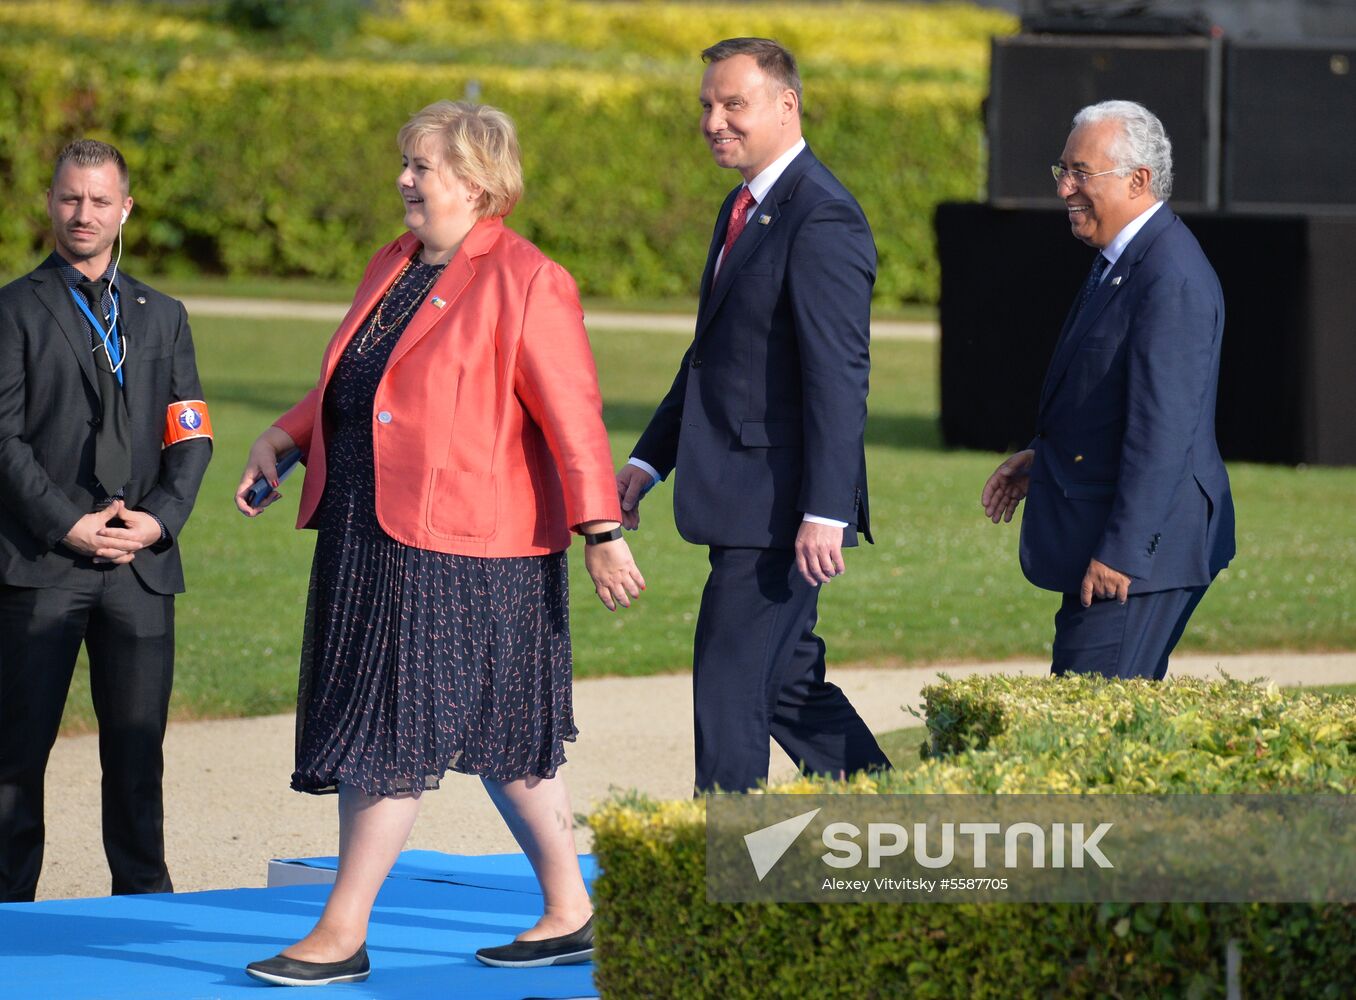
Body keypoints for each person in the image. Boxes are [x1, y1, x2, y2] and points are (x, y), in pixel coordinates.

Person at [236, 101, 643, 987]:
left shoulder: (529, 278)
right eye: (406, 164)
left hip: (463, 549)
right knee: (504, 737)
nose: (404, 181)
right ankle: (571, 910)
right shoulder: (394, 261)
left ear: (478, 182)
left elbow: (575, 420)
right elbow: (358, 378)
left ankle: (342, 932)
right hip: (369, 533)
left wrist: (602, 532)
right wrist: (288, 436)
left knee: (393, 732)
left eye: (422, 167)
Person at [616, 38, 889, 794]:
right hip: (744, 498)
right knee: (786, 689)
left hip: (778, 510)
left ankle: (725, 871)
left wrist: (827, 510)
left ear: (785, 105)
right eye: (706, 105)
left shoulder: (822, 216)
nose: (713, 120)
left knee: (730, 689)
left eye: (733, 104)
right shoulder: (744, 207)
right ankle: (906, 832)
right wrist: (646, 463)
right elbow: (711, 358)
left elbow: (840, 378)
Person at [0, 140, 213, 901]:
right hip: (41, 565)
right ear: (50, 202)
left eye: (99, 201)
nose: (82, 214)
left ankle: (144, 906)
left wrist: (159, 521)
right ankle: (7, 910)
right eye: (69, 198)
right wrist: (68, 524)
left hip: (141, 568)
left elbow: (190, 433)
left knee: (136, 755)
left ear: (126, 208)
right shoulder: (14, 309)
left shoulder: (165, 314)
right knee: (15, 758)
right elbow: (3, 439)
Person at [981, 100, 1235, 680]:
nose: (1065, 187)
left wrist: (1121, 552)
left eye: (1081, 173)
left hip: (1141, 557)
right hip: (1119, 540)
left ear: (1138, 180)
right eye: (1062, 170)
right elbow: (1106, 399)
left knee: (1080, 736)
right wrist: (1043, 458)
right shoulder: (1125, 259)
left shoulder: (1169, 275)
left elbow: (1163, 432)